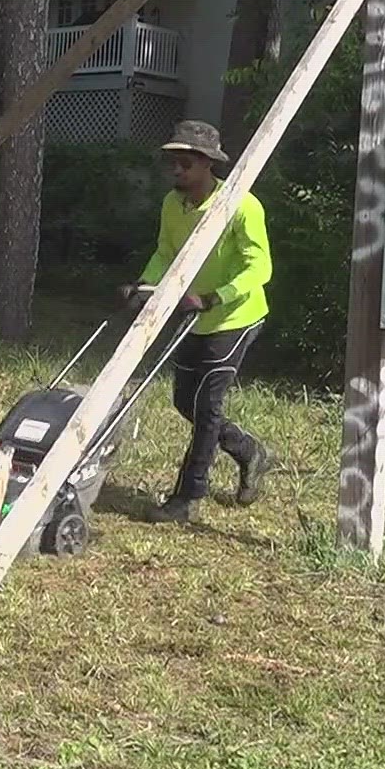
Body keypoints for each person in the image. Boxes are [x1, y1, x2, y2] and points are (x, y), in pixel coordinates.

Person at [120, 119, 273, 523]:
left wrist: (212, 297)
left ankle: (186, 498)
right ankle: (248, 451)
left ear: (208, 165)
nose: (176, 172)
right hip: (194, 315)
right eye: (173, 164)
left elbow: (260, 269)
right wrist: (144, 286)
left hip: (235, 316)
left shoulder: (241, 206)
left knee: (207, 406)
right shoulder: (173, 205)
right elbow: (165, 253)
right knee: (184, 401)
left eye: (185, 165)